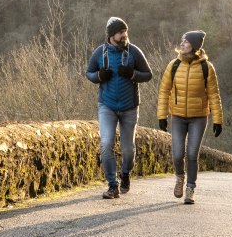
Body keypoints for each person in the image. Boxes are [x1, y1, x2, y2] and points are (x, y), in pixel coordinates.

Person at [86, 17, 153, 199]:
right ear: (111, 35)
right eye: (120, 32)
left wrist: (132, 74)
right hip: (107, 105)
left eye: (125, 31)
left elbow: (148, 74)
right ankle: (112, 185)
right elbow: (89, 73)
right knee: (106, 144)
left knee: (128, 149)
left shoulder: (134, 52)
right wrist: (99, 76)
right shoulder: (100, 53)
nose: (124, 35)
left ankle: (125, 174)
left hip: (129, 106)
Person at [157, 30, 223, 204]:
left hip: (199, 118)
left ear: (194, 46)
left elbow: (214, 95)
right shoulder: (174, 65)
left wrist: (217, 120)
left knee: (192, 154)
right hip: (177, 116)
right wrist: (162, 115)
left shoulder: (206, 67)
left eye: (185, 42)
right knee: (178, 154)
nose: (182, 44)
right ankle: (180, 178)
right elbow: (164, 91)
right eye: (182, 41)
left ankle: (190, 188)